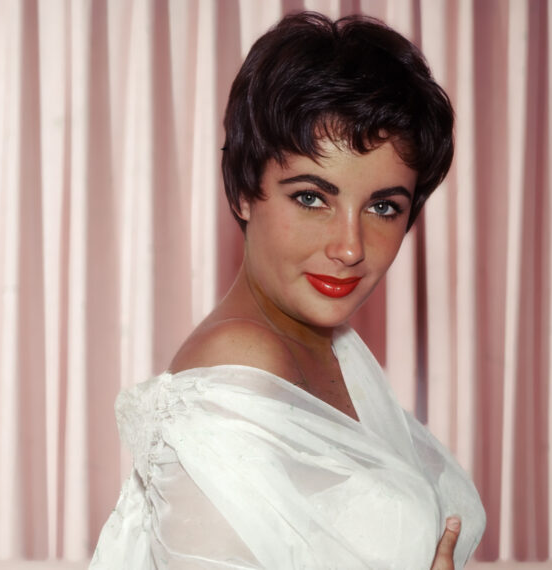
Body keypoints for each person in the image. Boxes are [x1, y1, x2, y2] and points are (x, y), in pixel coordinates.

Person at [90, 12, 485, 569]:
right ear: (243, 191)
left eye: (382, 207)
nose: (349, 247)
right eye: (311, 198)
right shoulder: (243, 359)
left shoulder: (334, 347)